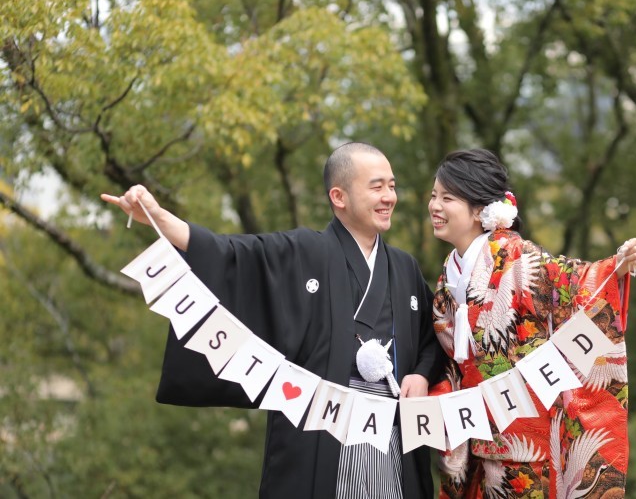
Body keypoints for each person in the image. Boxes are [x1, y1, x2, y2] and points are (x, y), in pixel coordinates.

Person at [101, 142, 444, 499]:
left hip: (391, 437)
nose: (389, 197)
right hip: (319, 432)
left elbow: (436, 337)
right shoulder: (303, 251)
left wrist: (421, 374)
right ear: (339, 196)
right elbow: (230, 254)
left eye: (392, 186)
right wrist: (159, 217)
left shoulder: (404, 268)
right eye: (377, 187)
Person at [426, 149, 636, 498]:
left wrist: (613, 268)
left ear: (479, 209)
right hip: (477, 442)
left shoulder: (516, 257)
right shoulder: (449, 276)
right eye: (434, 196)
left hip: (528, 451)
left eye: (447, 198)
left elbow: (569, 280)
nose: (435, 206)